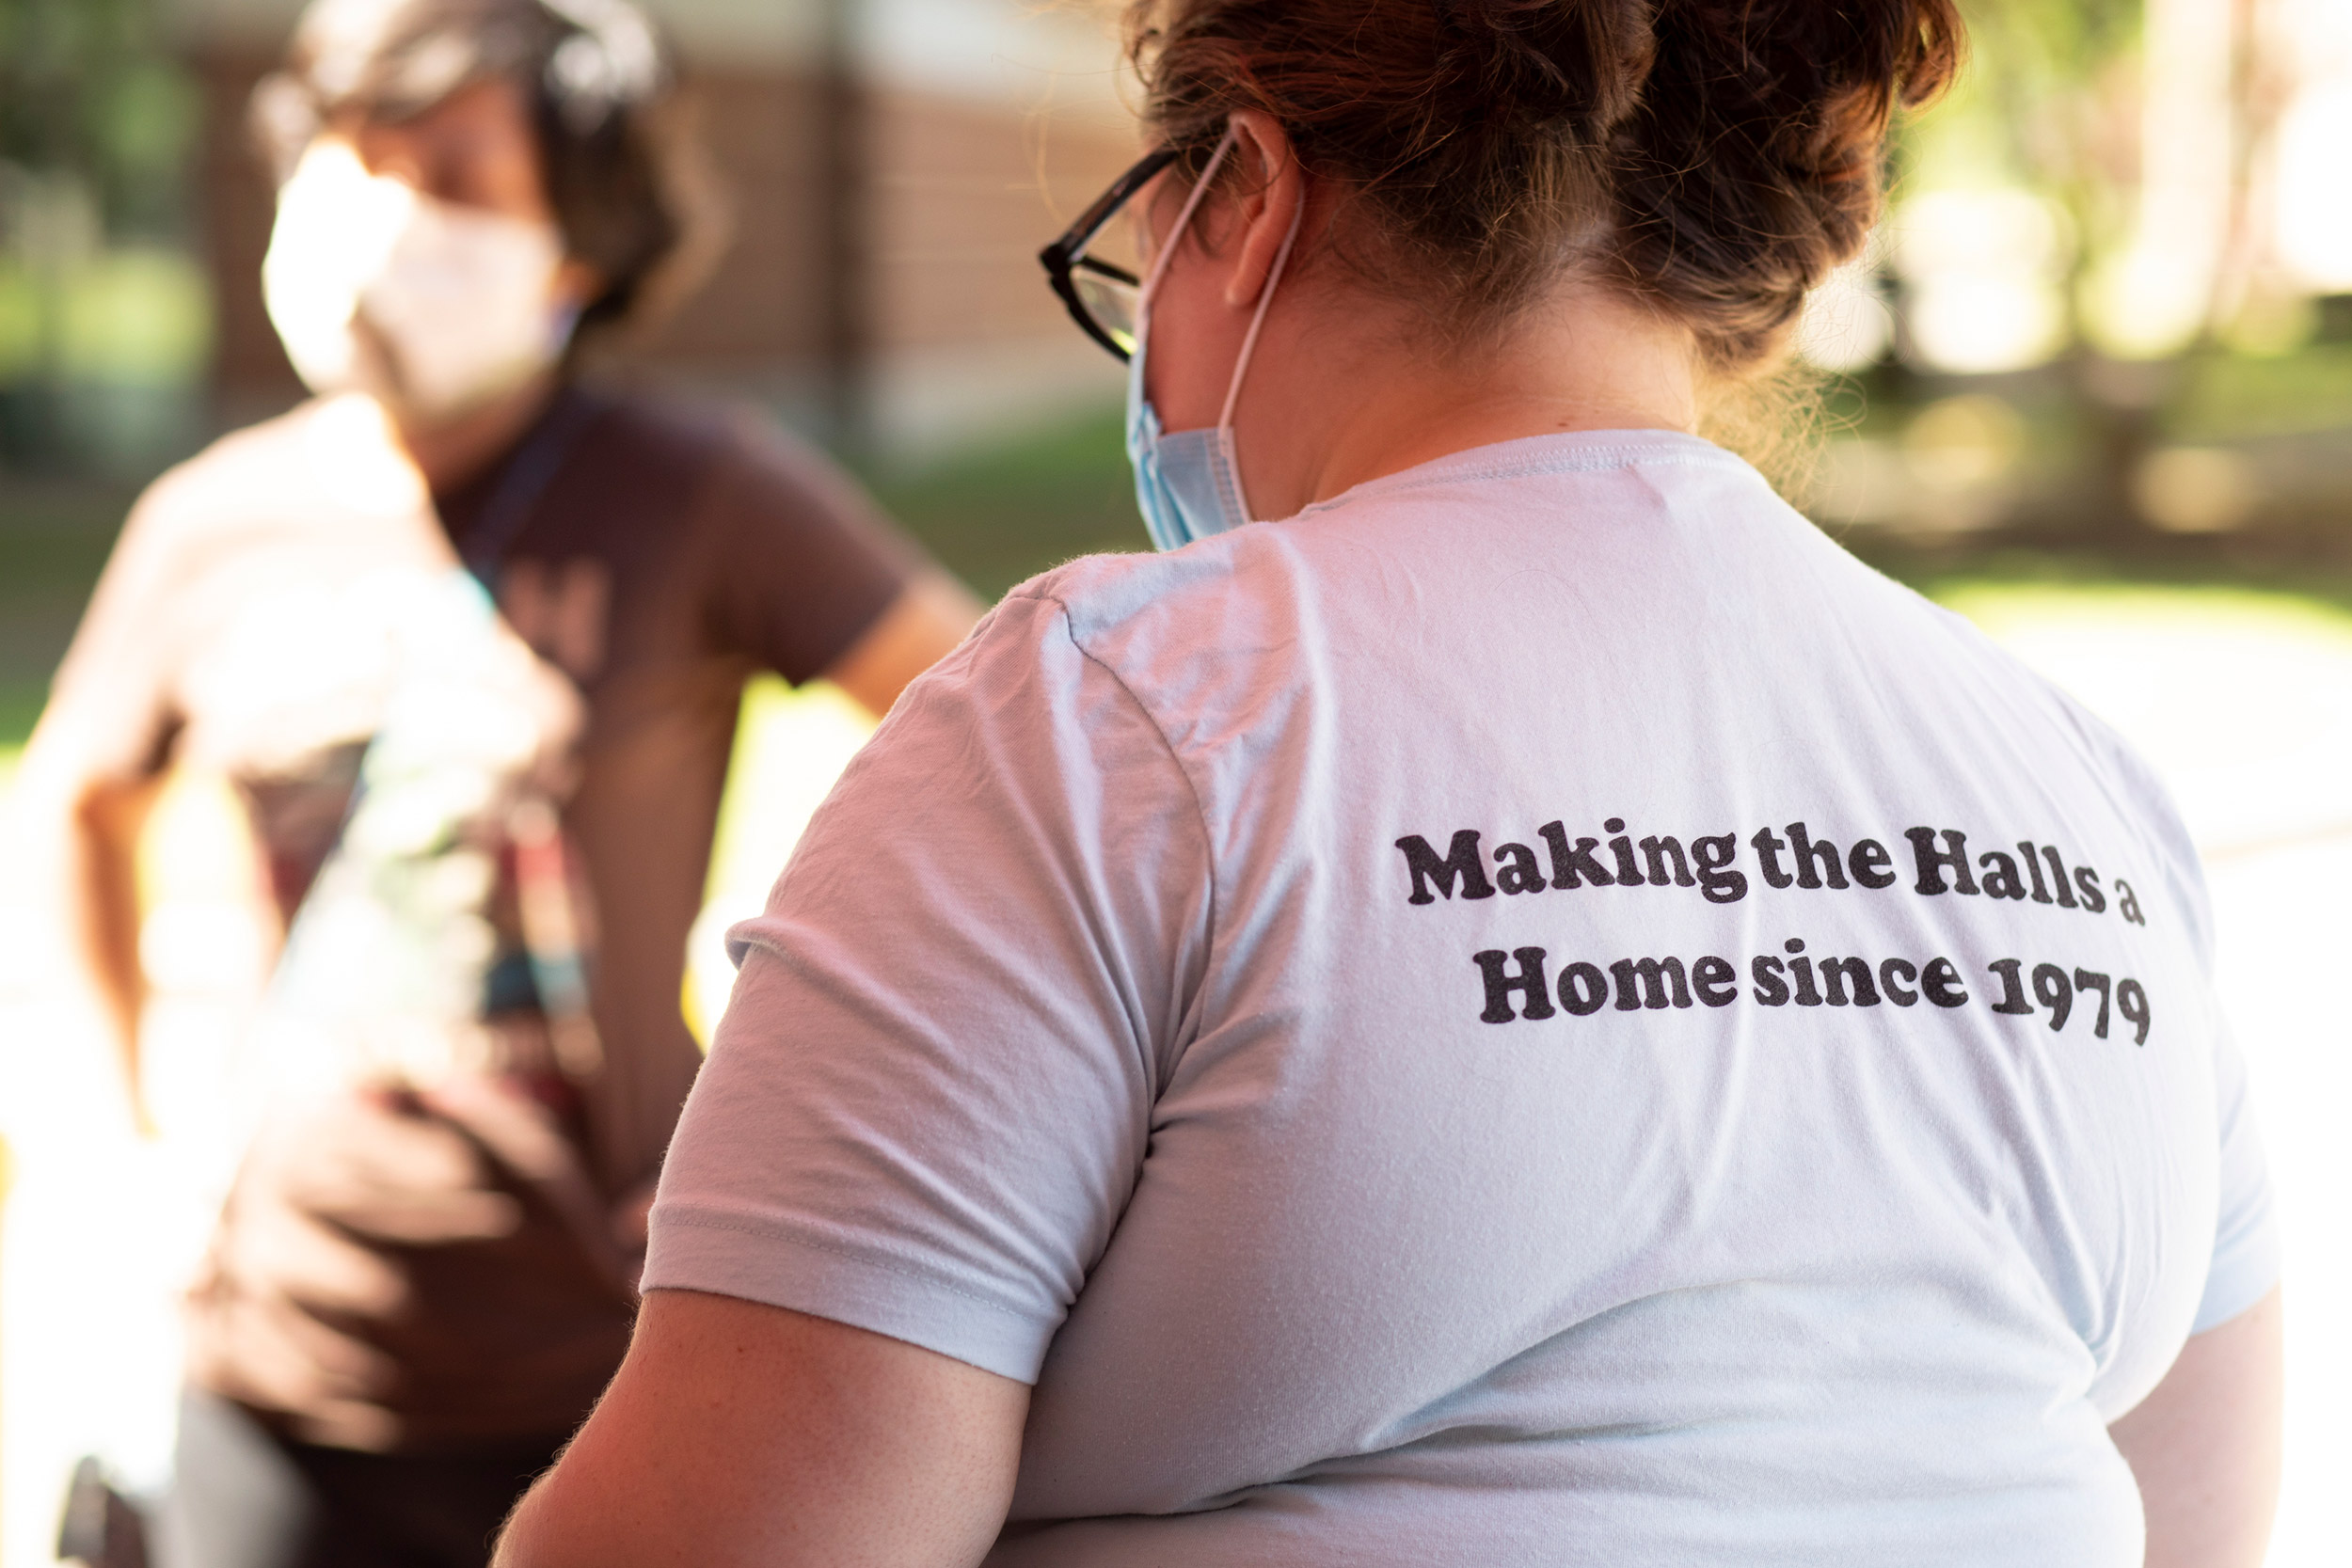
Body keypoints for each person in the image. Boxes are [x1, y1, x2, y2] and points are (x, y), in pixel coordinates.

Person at [498, 1, 2282, 1564]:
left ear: (1250, 196)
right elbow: (2193, 1513)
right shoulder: (2071, 773)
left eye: (1144, 240)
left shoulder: (1109, 722)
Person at [12, 0, 979, 1562]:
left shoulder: (700, 492)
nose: (381, 213)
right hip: (274, 1371)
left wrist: (810, 1011)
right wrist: (115, 1154)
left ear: (577, 253)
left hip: (611, 1359)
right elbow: (67, 802)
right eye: (352, 155)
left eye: (454, 175)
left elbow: (991, 726)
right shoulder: (211, 519)